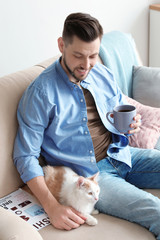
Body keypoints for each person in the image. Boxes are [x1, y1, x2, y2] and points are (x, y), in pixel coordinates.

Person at [13, 12, 160, 239]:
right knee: (157, 212)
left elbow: (119, 113)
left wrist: (130, 125)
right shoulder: (40, 94)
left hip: (122, 154)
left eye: (93, 55)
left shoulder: (101, 73)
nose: (87, 65)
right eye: (79, 56)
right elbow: (25, 157)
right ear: (62, 45)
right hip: (91, 177)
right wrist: (52, 207)